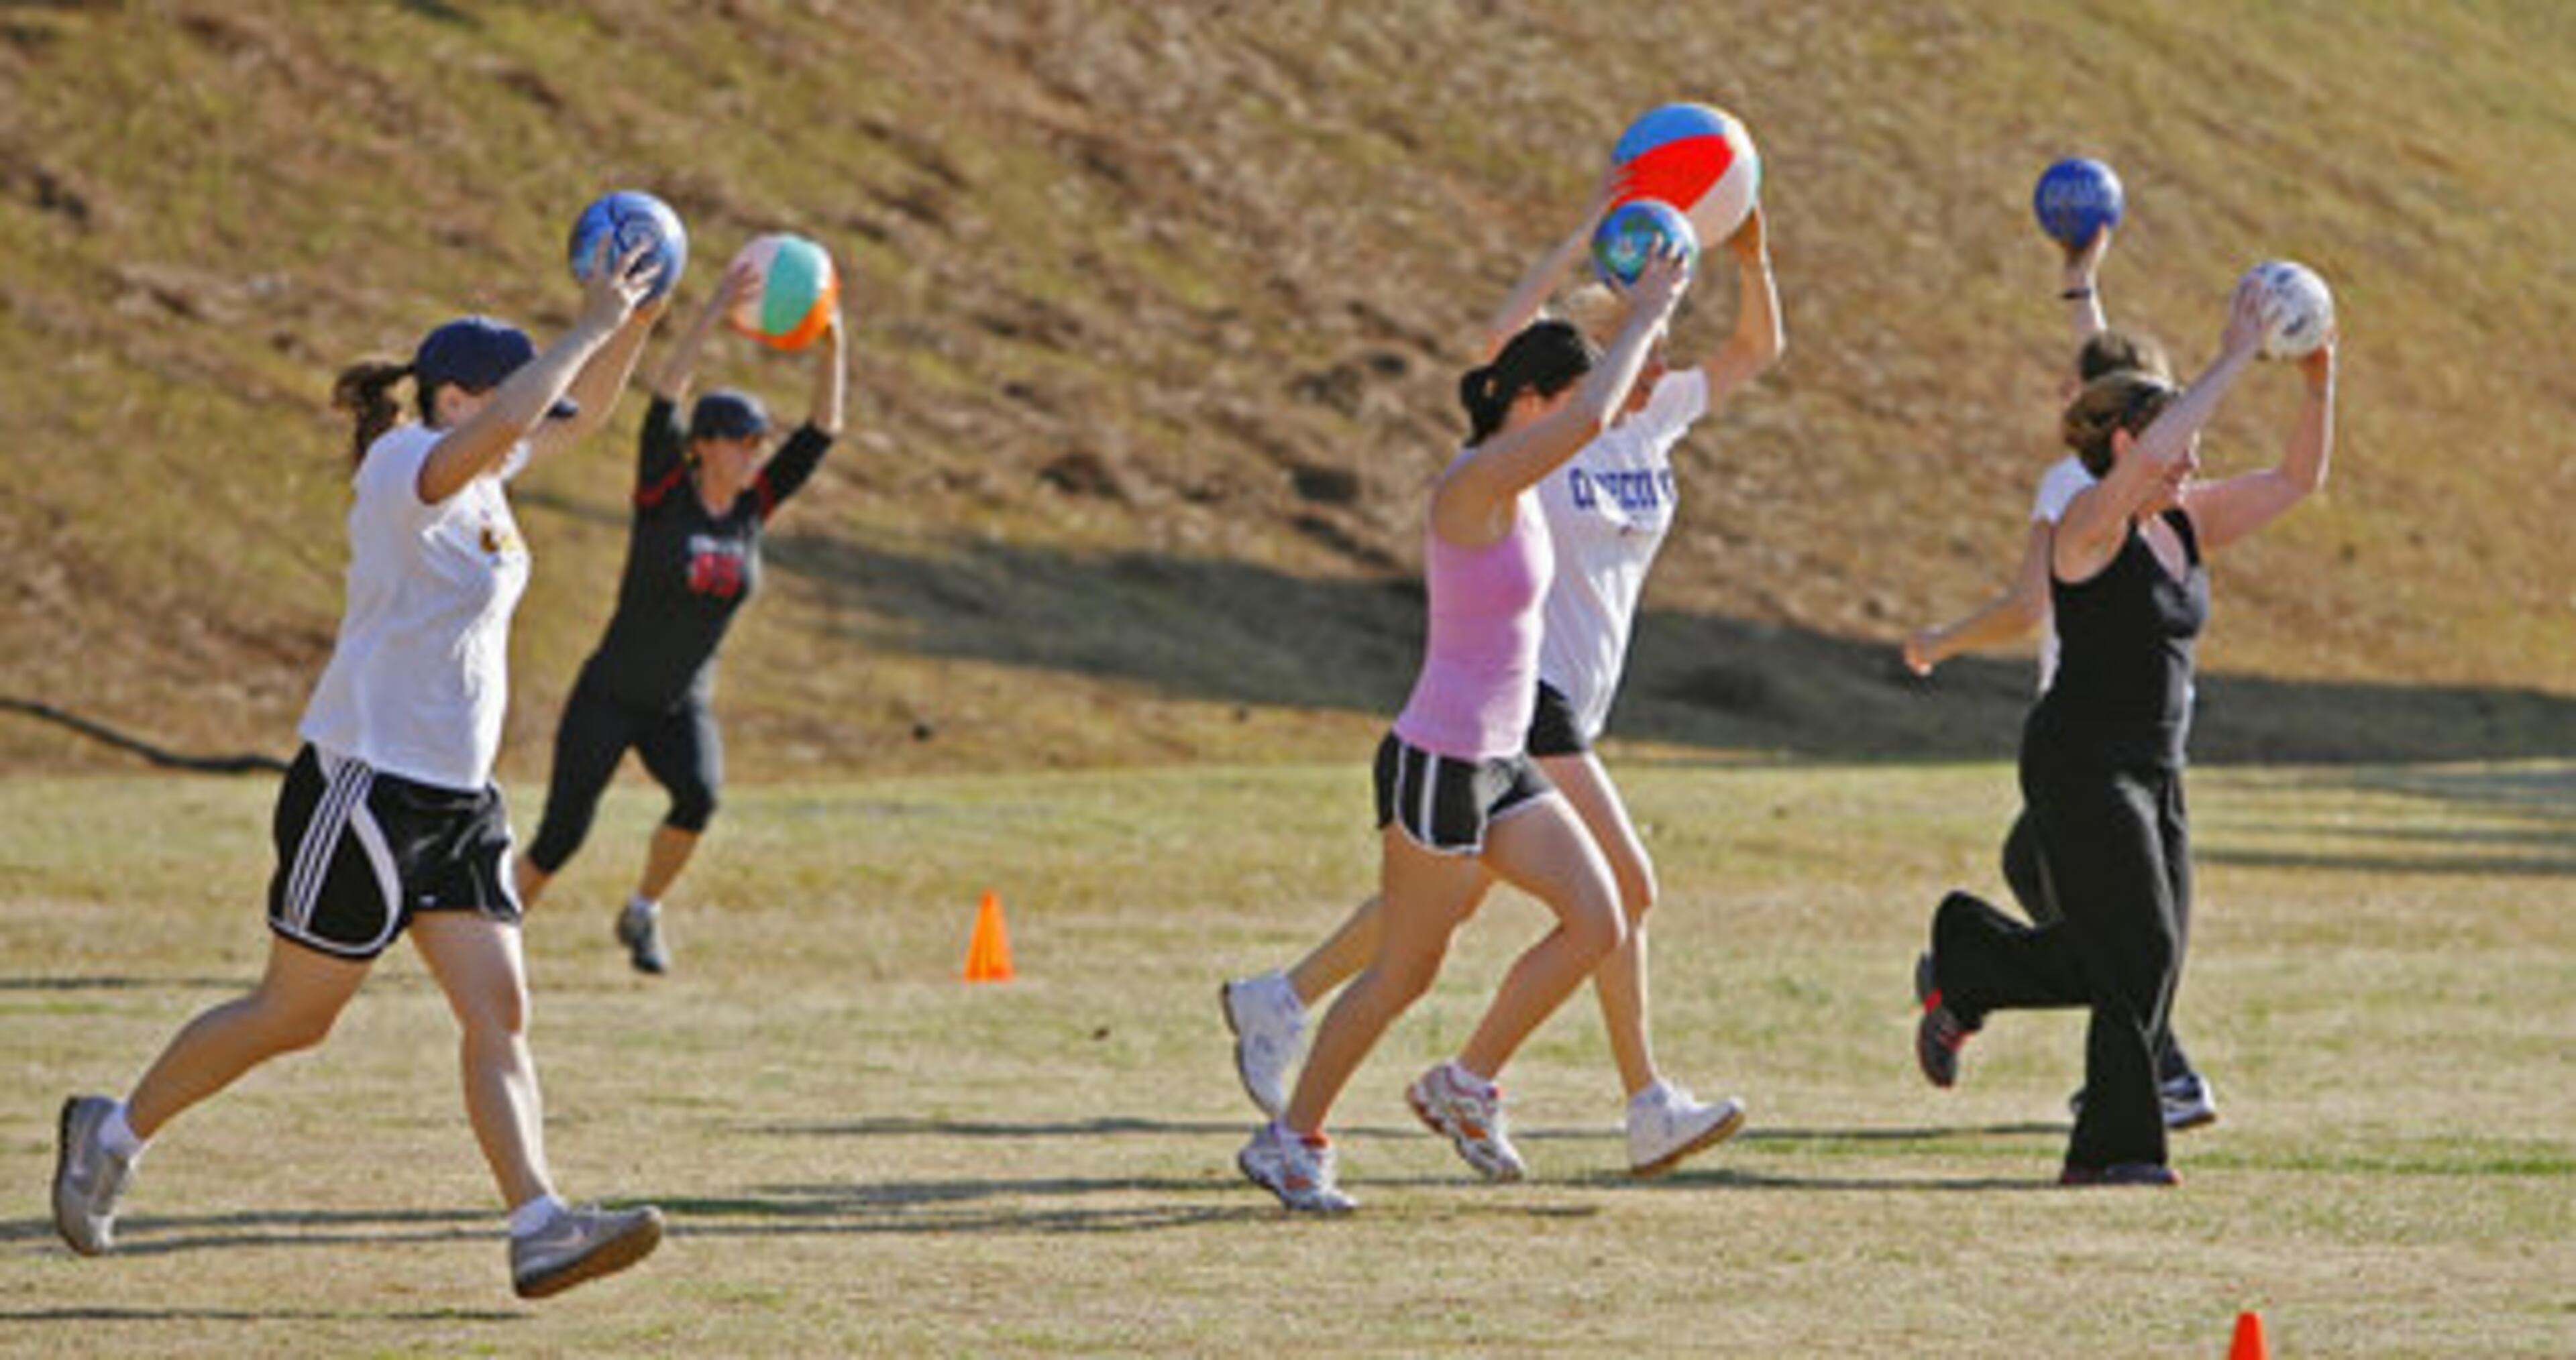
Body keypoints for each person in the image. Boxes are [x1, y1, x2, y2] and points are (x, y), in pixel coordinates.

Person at [52, 239, 672, 1298]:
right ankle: (111, 1131)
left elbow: (579, 415)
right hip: (366, 789)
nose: (535, 402)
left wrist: (637, 318)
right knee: (293, 1017)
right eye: (513, 386)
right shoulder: (406, 469)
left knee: (498, 1011)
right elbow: (527, 413)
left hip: (460, 803)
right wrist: (585, 326)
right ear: (457, 395)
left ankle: (537, 1223)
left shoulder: (486, 474)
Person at [1224, 195, 1784, 1180]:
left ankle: (1399, 1054)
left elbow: (1596, 404)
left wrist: (1645, 291)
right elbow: (1593, 410)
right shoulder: (1475, 484)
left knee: (1604, 912)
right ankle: (1292, 1137)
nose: (1581, 423)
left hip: (1503, 759)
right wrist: (1649, 305)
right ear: (1533, 405)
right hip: (1440, 760)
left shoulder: (1521, 480)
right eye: (1561, 407)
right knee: (1407, 967)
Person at [1911, 274, 2337, 1186]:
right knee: (2138, 948)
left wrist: (2315, 378)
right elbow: (2147, 468)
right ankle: (2113, 1152)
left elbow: (2302, 478)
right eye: (2176, 443)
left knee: (2148, 956)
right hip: (2081, 762)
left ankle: (1973, 961)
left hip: (2158, 768)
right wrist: (2231, 354)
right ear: (2125, 442)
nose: (2193, 461)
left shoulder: (2189, 520)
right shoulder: (2088, 525)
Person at [1901, 227, 2216, 1131]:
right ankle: (2152, 1063)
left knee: (2096, 911)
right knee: (2106, 914)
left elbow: (2025, 601)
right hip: (2095, 741)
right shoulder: (2102, 486)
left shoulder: (2144, 486)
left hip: (2117, 739)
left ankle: (2125, 1047)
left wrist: (1942, 642)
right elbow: (2113, 375)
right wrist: (2079, 283)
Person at [513, 254, 847, 974]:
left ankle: (643, 911)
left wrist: (832, 344)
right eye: (741, 440)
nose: (755, 453)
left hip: (678, 705)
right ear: (703, 448)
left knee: (699, 799)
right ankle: (491, 937)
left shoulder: (754, 508)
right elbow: (663, 398)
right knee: (560, 838)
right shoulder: (665, 494)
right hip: (609, 694)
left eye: (759, 442)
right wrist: (711, 309)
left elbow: (821, 433)